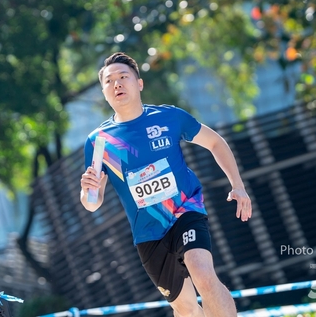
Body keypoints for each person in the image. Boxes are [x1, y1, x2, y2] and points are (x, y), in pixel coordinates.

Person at [80, 52, 252, 317]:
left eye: (123, 77)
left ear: (139, 83)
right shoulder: (99, 141)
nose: (117, 84)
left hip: (185, 210)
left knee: (204, 277)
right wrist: (88, 190)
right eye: (109, 81)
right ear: (104, 92)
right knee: (186, 309)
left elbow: (215, 142)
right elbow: (92, 202)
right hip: (148, 232)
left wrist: (237, 185)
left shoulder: (168, 118)